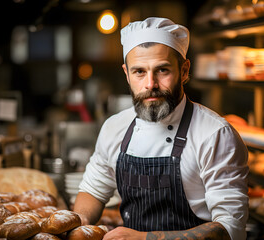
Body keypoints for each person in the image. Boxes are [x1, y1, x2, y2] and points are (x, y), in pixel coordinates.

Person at [73, 17, 249, 240]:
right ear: (126, 73)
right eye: (139, 72)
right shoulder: (115, 127)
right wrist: (80, 224)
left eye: (162, 70)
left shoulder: (215, 135)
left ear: (184, 71)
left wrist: (145, 239)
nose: (150, 84)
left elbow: (230, 229)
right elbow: (92, 191)